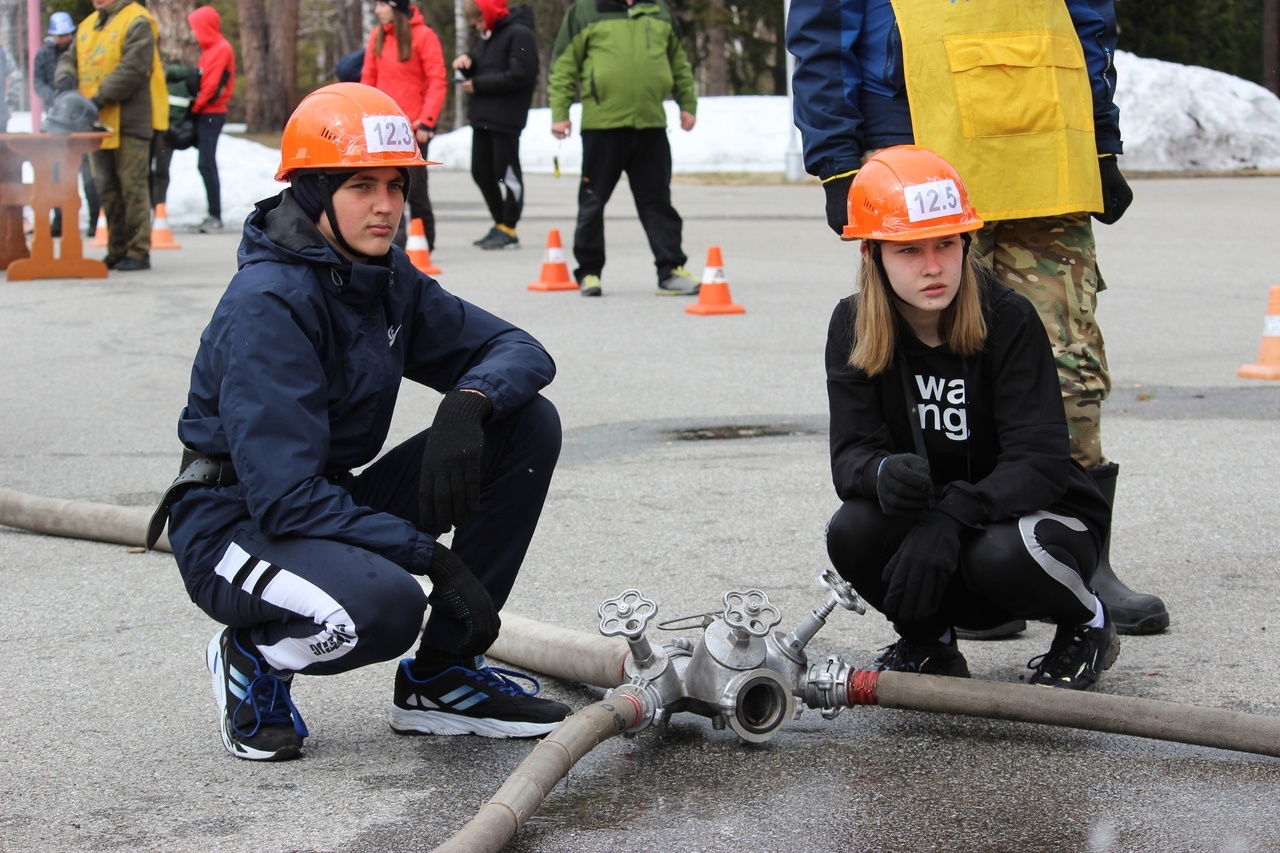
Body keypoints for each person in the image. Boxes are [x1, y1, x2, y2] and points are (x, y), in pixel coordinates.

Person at [145, 83, 570, 761]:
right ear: (313, 192)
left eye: (396, 187)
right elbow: (281, 498)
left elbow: (518, 348)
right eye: (361, 185)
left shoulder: (382, 275)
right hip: (233, 524)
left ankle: (442, 677)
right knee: (385, 606)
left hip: (319, 500)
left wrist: (469, 402)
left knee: (526, 426)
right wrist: (430, 556)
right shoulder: (269, 302)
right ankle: (255, 657)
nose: (385, 206)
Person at [786, 0, 1168, 637]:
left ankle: (1080, 555)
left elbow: (1089, 11)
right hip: (916, 121)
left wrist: (1098, 132)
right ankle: (963, 556)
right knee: (924, 349)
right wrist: (838, 156)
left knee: (1069, 359)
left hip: (1040, 130)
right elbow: (823, 25)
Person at [824, 145, 1117, 690]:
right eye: (909, 250)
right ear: (873, 255)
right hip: (940, 524)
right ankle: (928, 643)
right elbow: (850, 456)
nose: (933, 266)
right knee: (853, 530)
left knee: (1000, 554)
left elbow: (1040, 462)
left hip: (1032, 524)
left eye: (946, 243)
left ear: (966, 242)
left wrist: (953, 515)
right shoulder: (852, 325)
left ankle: (1088, 624)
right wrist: (884, 474)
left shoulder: (1007, 316)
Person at [547, 0, 700, 297]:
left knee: (657, 202)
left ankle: (670, 271)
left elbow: (678, 62)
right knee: (593, 201)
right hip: (602, 125)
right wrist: (560, 112)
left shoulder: (660, 11)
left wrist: (687, 104)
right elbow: (563, 65)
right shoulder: (584, 11)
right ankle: (589, 271)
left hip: (651, 124)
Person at [55, 0, 168, 272]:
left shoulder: (137, 21)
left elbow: (134, 67)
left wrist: (99, 98)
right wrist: (66, 80)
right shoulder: (87, 25)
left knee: (132, 187)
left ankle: (138, 251)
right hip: (94, 121)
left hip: (129, 120)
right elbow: (69, 58)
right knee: (106, 188)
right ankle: (116, 249)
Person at [360, 0, 448, 251]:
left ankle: (423, 245)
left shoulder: (424, 35)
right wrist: (364, 116)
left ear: (396, 6)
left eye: (382, 4)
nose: (377, 10)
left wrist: (427, 120)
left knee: (415, 188)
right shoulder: (377, 35)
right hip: (381, 127)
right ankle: (393, 245)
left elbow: (437, 80)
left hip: (413, 128)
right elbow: (368, 80)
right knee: (384, 189)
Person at [452, 0, 538, 251]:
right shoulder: (487, 37)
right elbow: (484, 65)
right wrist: (466, 59)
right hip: (483, 118)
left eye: (479, 21)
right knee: (481, 172)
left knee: (507, 172)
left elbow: (521, 74)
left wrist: (479, 84)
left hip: (506, 118)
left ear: (489, 14)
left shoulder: (520, 33)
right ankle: (500, 223)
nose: (477, 26)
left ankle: (509, 226)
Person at [187, 5, 235, 233]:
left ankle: (215, 215)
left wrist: (194, 107)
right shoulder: (209, 50)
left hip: (211, 112)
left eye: (196, 28)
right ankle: (213, 214)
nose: (194, 33)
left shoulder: (220, 48)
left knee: (206, 163)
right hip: (205, 111)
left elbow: (212, 85)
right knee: (205, 163)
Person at [34, 11, 79, 238]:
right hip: (54, 116)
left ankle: (92, 221)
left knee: (85, 172)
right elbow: (38, 82)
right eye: (60, 36)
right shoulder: (44, 55)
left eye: (67, 35)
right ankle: (58, 221)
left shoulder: (79, 49)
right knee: (55, 170)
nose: (64, 39)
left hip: (78, 116)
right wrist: (53, 97)